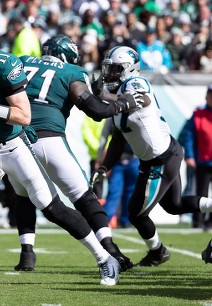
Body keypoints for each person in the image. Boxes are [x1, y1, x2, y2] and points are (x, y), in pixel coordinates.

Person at [0, 9, 125, 286]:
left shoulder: (4, 63)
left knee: (51, 207)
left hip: (13, 146)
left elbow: (23, 116)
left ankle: (104, 258)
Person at [14, 35, 142, 272]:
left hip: (17, 140)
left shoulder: (21, 62)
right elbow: (95, 110)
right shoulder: (70, 71)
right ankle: (110, 249)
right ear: (66, 56)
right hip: (49, 138)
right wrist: (122, 103)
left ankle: (27, 254)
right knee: (84, 197)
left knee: (23, 195)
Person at [90, 46, 212, 267]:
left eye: (116, 69)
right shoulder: (118, 97)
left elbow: (141, 99)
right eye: (109, 69)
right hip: (164, 155)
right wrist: (104, 166)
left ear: (129, 69)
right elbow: (117, 140)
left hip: (161, 159)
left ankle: (158, 251)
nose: (110, 74)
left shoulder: (135, 83)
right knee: (174, 205)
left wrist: (104, 96)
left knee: (135, 213)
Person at [97, 119, 139, 228]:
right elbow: (104, 138)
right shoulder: (111, 117)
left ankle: (126, 221)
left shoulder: (135, 114)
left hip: (134, 159)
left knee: (131, 192)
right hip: (117, 160)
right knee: (114, 191)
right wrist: (100, 159)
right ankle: (104, 221)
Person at [181, 84, 212, 230]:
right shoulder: (198, 114)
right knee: (201, 193)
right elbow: (188, 136)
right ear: (207, 96)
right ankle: (197, 220)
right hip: (204, 160)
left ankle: (210, 222)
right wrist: (190, 156)